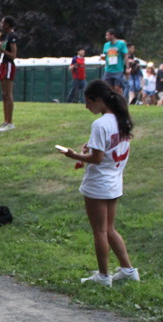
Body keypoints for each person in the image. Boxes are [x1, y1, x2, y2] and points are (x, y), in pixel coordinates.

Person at [58, 79, 138, 287]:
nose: (86, 106)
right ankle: (128, 270)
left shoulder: (100, 124)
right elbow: (108, 148)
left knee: (100, 231)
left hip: (99, 182)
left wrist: (73, 155)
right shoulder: (120, 118)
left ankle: (103, 276)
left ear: (98, 100)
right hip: (114, 179)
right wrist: (90, 148)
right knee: (109, 229)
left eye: (88, 102)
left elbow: (97, 158)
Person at [0, 16, 18, 131]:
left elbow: (13, 55)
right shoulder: (5, 35)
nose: (1, 24)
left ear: (7, 24)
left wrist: (1, 48)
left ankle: (10, 122)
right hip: (3, 64)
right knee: (4, 94)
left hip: (8, 65)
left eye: (2, 22)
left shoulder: (12, 36)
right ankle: (5, 121)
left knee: (8, 94)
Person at [101, 29, 128, 95]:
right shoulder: (106, 45)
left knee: (117, 88)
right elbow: (104, 56)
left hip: (118, 69)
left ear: (112, 35)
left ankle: (120, 99)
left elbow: (125, 55)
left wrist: (127, 67)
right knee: (108, 87)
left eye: (107, 35)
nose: (106, 37)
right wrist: (102, 59)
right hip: (108, 69)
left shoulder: (121, 44)